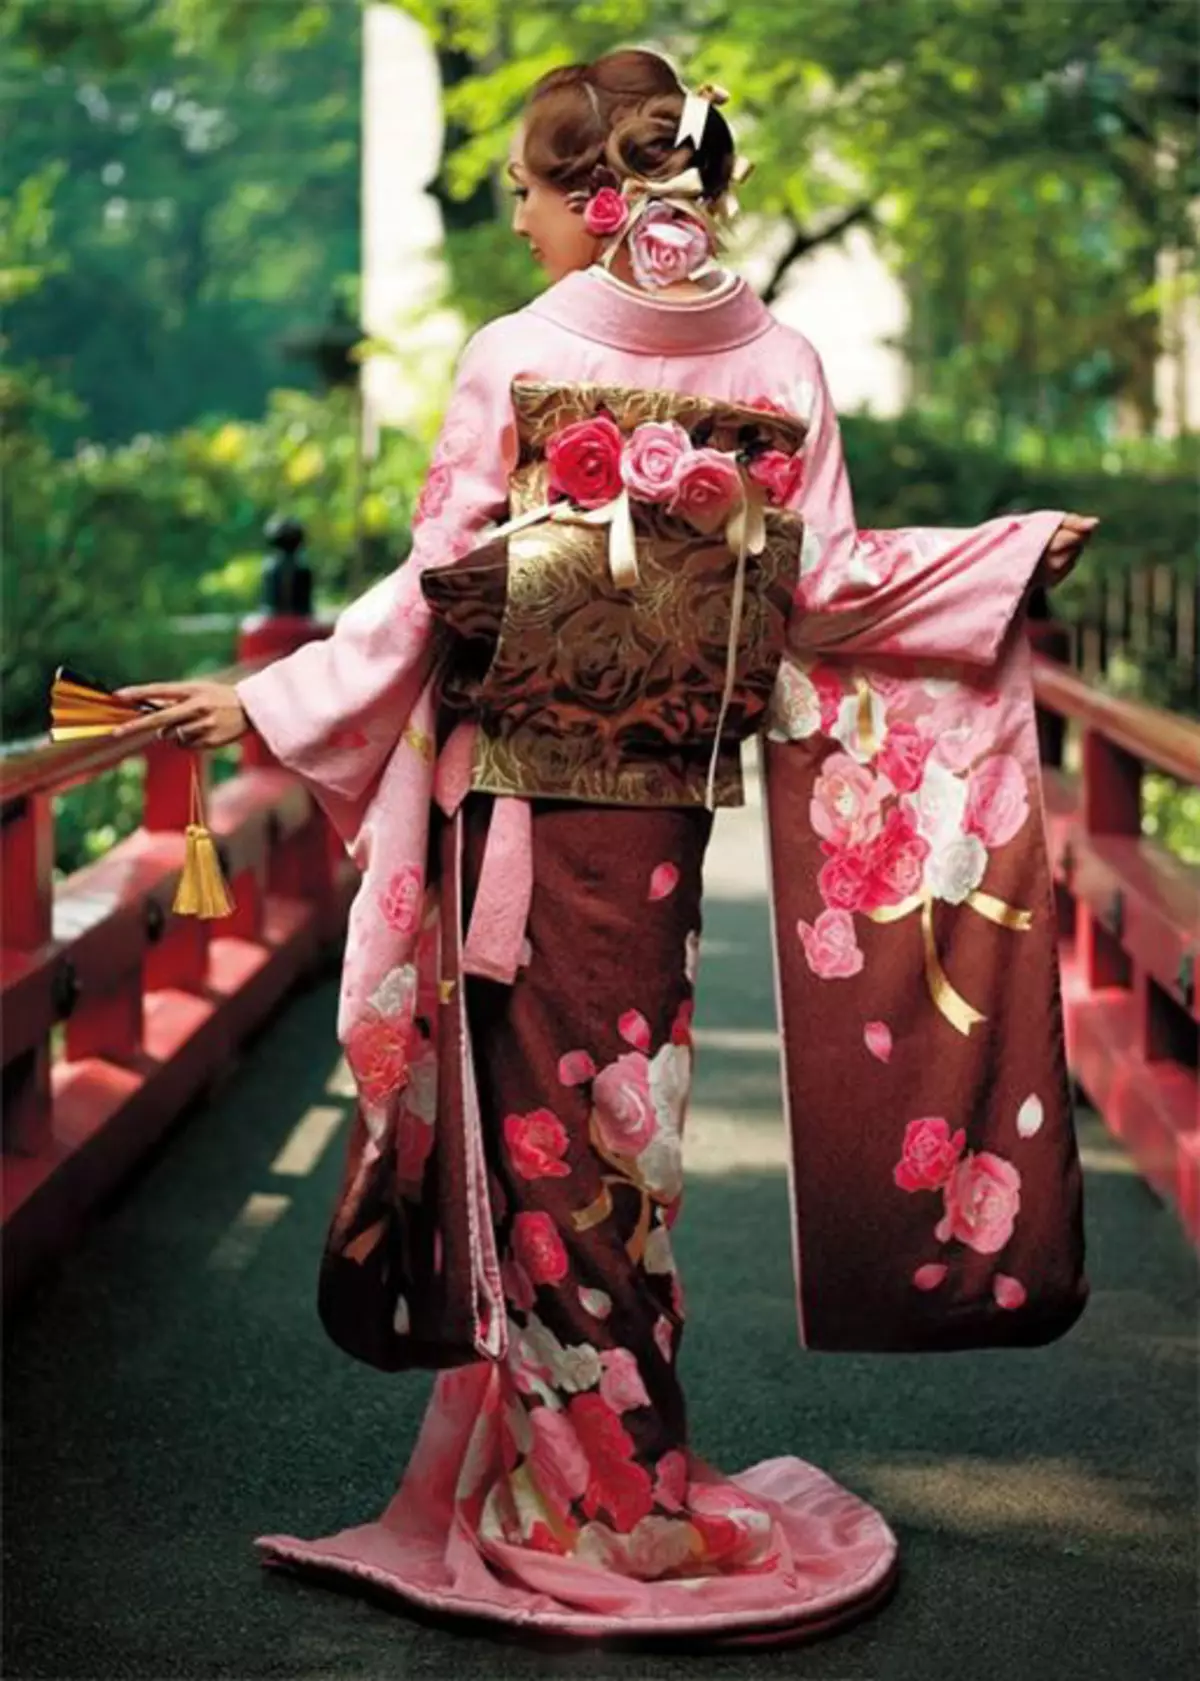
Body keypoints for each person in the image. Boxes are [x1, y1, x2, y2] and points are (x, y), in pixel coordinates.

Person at [112, 48, 1096, 1650]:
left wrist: (265, 702)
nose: (511, 221)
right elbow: (830, 584)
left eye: (519, 191)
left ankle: (616, 1506)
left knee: (552, 1155)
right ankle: (567, 1473)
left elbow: (442, 585)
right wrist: (1001, 557)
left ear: (592, 198)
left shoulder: (520, 352)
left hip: (518, 809)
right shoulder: (777, 359)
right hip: (651, 830)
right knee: (610, 1144)